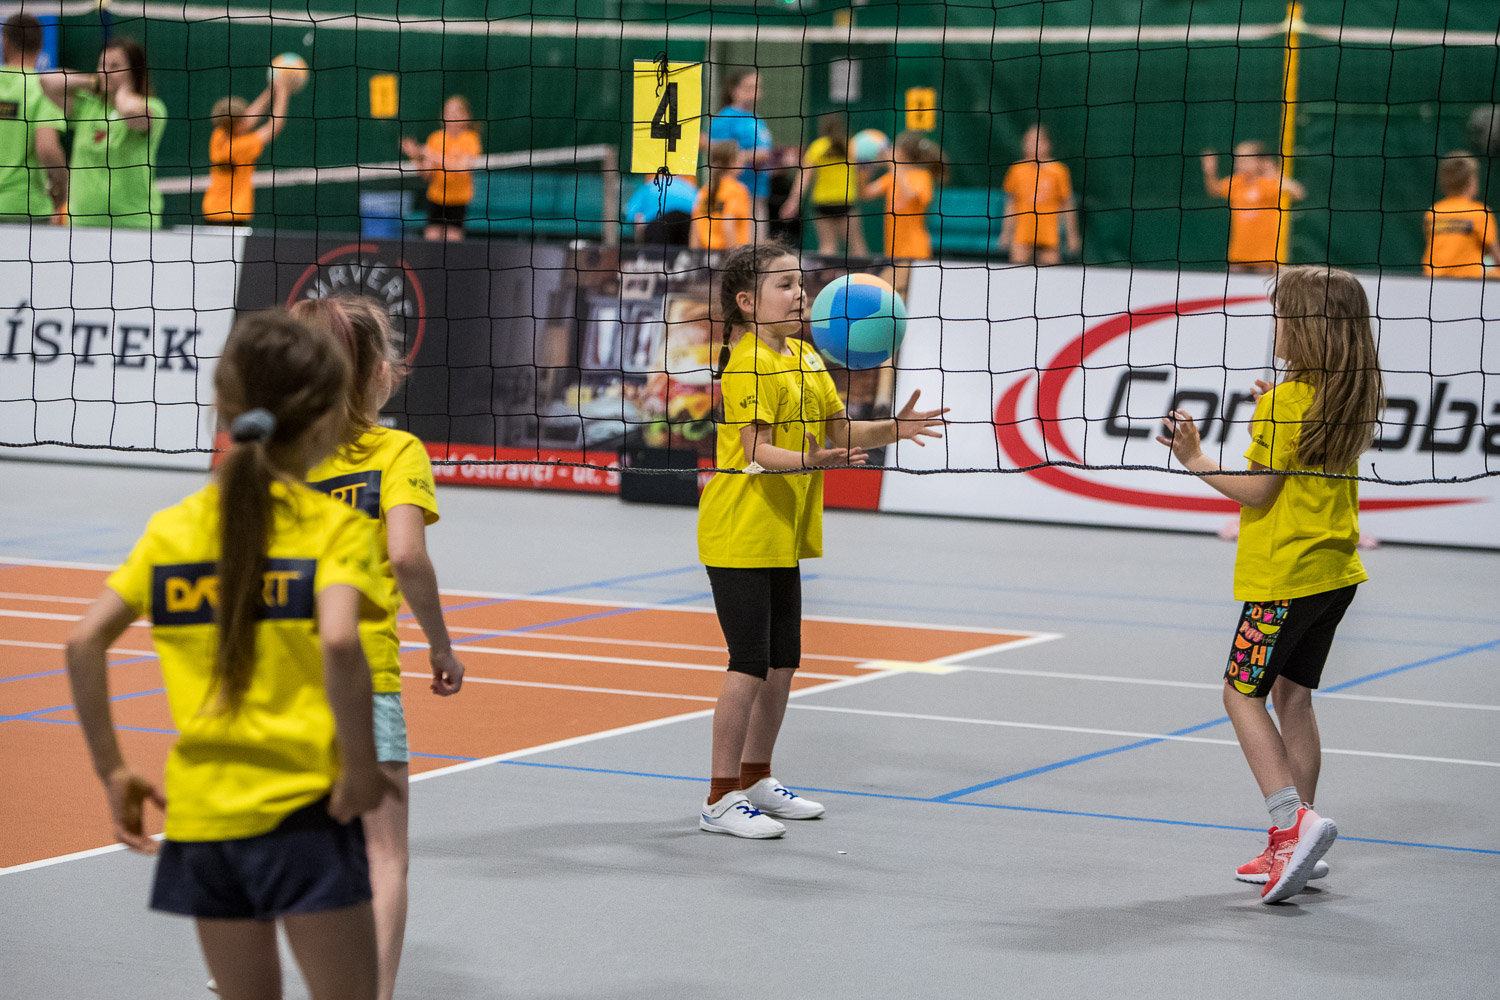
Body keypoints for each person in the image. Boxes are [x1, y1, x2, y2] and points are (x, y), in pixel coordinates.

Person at [64, 309, 394, 998]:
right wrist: (362, 768)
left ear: (224, 408)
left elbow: (83, 640)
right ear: (326, 419)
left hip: (202, 823)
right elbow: (341, 641)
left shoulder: (171, 531)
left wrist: (113, 770)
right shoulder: (333, 529)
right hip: (303, 815)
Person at [697, 241, 947, 838]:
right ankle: (719, 798)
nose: (800, 294)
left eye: (800, 283)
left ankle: (757, 777)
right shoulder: (746, 363)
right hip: (739, 528)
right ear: (747, 301)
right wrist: (813, 460)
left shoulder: (808, 358)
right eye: (784, 285)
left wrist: (895, 428)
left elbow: (841, 430)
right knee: (748, 664)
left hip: (784, 530)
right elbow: (758, 451)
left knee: (783, 663)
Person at [1156, 265, 1383, 903]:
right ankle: (1294, 845)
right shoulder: (1345, 396)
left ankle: (1292, 824)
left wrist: (1195, 458)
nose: (1275, 326)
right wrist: (1273, 408)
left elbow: (1259, 491)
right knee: (1293, 698)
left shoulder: (1284, 404)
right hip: (1334, 573)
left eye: (1282, 316)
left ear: (1308, 328)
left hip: (1285, 577)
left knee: (1240, 696)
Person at [296, 295, 465, 1000]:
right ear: (373, 372)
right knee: (384, 855)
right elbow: (406, 556)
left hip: (279, 674)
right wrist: (442, 646)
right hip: (362, 673)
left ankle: (248, 943)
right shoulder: (396, 451)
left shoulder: (273, 455)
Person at [42, 37, 166, 229]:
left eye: (114, 66)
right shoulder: (87, 107)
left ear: (134, 71)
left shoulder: (153, 108)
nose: (105, 71)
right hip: (82, 222)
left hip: (134, 224)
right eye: (102, 65)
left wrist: (123, 91)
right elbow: (46, 81)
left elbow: (130, 113)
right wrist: (94, 82)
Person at [0, 13, 67, 224]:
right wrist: (62, 189)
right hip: (26, 208)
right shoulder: (43, 88)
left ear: (5, 42)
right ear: (40, 47)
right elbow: (47, 149)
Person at [200, 76, 294, 226]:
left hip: (211, 211)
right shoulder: (240, 147)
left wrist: (270, 90)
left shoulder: (218, 135)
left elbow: (248, 118)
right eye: (243, 119)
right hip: (231, 215)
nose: (247, 119)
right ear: (237, 126)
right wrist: (284, 91)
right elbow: (274, 127)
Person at [1201, 140, 1306, 273]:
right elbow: (1215, 190)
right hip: (1239, 255)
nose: (1239, 163)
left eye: (1245, 159)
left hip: (1265, 258)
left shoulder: (1269, 183)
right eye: (1238, 158)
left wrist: (1275, 174)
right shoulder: (1237, 182)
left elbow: (1298, 193)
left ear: (1259, 161)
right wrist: (1210, 171)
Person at [781, 113, 868, 257]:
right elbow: (862, 172)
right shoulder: (850, 146)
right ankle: (865, 272)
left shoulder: (818, 147)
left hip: (823, 203)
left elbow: (804, 177)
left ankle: (827, 272)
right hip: (845, 201)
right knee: (856, 244)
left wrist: (794, 200)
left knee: (828, 245)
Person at [703, 69, 774, 242]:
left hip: (758, 191)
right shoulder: (725, 118)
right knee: (741, 248)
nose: (755, 92)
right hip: (735, 195)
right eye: (749, 87)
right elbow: (718, 153)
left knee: (758, 247)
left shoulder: (756, 118)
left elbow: (765, 151)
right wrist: (749, 156)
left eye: (757, 87)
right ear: (734, 90)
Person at [401, 94, 481, 241]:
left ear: (466, 116)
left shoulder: (470, 139)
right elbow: (426, 173)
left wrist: (431, 154)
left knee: (452, 241)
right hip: (436, 198)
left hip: (458, 200)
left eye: (457, 112)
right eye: (449, 112)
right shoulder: (435, 139)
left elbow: (462, 168)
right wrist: (415, 155)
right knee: (431, 239)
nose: (453, 116)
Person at [1000, 124, 1079, 265]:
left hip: (1049, 237)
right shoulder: (1017, 170)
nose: (1032, 145)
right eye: (1028, 141)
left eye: (1036, 141)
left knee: (1050, 272)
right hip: (1022, 236)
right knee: (1017, 270)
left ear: (1047, 144)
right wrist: (1006, 233)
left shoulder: (1059, 171)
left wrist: (1072, 235)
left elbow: (1067, 205)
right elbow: (1011, 203)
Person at [863, 130, 945, 261]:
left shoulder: (923, 177)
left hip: (915, 251)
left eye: (894, 148)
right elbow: (865, 193)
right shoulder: (891, 177)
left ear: (902, 153)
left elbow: (910, 195)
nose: (890, 152)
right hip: (893, 251)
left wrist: (893, 166)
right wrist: (864, 169)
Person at [1423, 152, 1499, 278]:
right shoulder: (1480, 212)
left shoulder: (1432, 213)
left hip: (1433, 279)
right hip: (1470, 281)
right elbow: (1495, 255)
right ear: (1471, 182)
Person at [690, 141, 752, 252]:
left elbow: (695, 229)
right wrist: (734, 256)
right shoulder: (737, 190)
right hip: (729, 255)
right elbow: (728, 226)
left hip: (705, 256)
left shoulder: (704, 191)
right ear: (732, 163)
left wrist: (694, 255)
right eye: (739, 155)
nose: (743, 158)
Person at [625, 171, 697, 246]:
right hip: (688, 221)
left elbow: (632, 215)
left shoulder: (649, 186)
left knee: (657, 251)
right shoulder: (689, 186)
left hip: (658, 222)